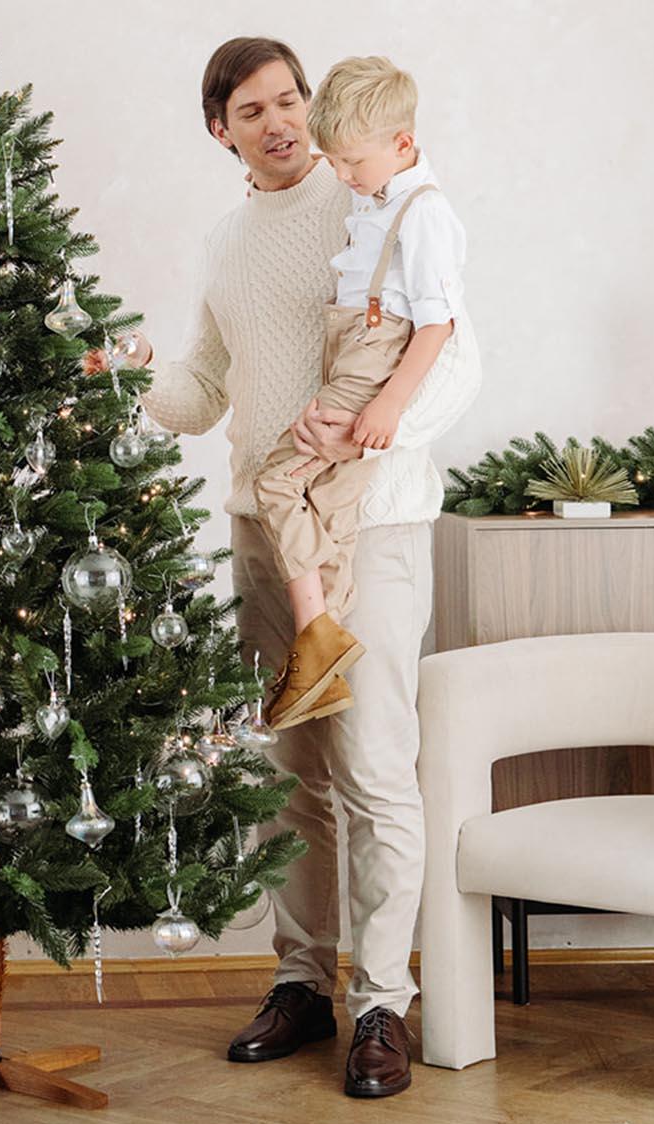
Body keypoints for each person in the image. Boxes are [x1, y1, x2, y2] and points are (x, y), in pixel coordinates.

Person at [86, 37, 480, 1098]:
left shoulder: (373, 203)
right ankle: (303, 983)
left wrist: (368, 435)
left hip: (376, 531)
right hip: (263, 537)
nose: (280, 122)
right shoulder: (224, 241)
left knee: (374, 770)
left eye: (290, 99)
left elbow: (454, 354)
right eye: (252, 110)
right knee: (285, 779)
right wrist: (125, 378)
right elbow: (203, 392)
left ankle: (383, 1002)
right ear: (220, 131)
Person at [252, 55, 469, 729]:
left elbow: (439, 323)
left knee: (279, 481)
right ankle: (325, 653)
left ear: (403, 143)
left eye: (353, 163)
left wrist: (388, 404)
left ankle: (316, 636)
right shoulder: (376, 197)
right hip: (350, 349)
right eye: (335, 162)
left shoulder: (424, 213)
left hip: (372, 360)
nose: (342, 176)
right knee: (333, 503)